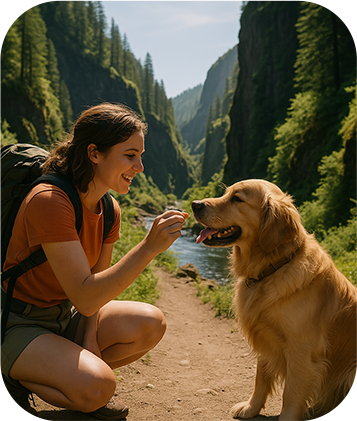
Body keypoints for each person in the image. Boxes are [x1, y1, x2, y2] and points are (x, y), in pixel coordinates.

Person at [0, 102, 188, 419]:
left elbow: (96, 294)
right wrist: (148, 247)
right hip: (15, 323)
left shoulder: (109, 209)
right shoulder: (49, 200)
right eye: (130, 155)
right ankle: (13, 379)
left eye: (140, 156)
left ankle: (64, 369)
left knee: (150, 323)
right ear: (94, 153)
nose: (140, 167)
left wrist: (90, 342)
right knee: (98, 389)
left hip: (63, 316)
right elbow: (86, 295)